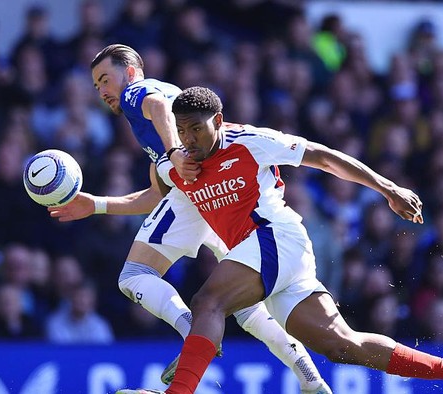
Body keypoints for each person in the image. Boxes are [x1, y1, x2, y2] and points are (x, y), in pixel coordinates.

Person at [128, 86, 443, 394]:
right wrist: (95, 204)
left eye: (196, 128)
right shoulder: (177, 164)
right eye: (182, 130)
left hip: (275, 236)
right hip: (265, 259)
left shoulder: (249, 141)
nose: (189, 139)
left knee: (208, 301)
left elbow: (322, 157)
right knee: (341, 345)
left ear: (219, 121)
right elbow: (150, 195)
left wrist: (387, 187)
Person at [47, 44, 331, 393]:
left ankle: (190, 332)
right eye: (96, 86)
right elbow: (154, 195)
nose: (103, 91)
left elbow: (157, 107)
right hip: (217, 203)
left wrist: (173, 151)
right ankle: (310, 378)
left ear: (132, 72)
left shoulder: (140, 95)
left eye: (106, 79)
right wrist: (98, 205)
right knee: (244, 307)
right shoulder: (154, 126)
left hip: (197, 199)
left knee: (134, 276)